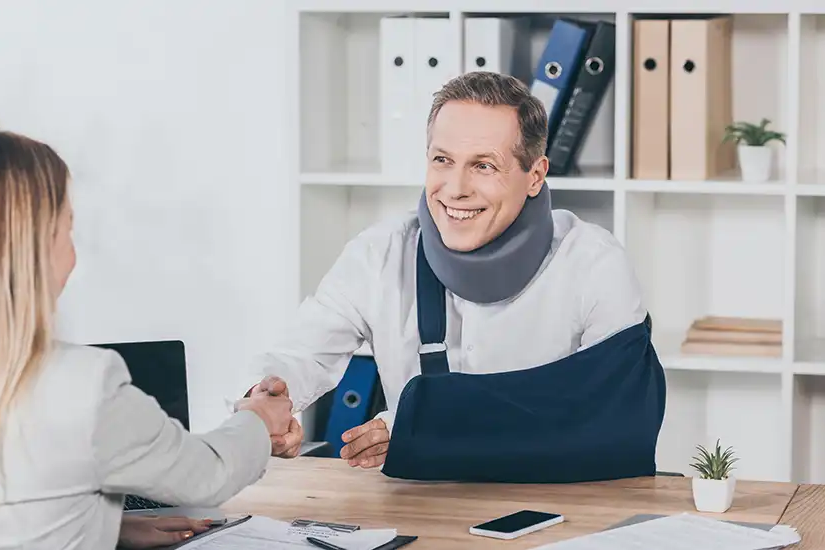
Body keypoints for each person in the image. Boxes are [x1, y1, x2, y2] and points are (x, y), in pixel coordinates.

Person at [236, 71, 664, 478]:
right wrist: (270, 402)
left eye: (484, 166)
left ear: (535, 175)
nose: (455, 188)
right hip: (418, 507)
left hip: (556, 508)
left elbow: (620, 419)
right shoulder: (379, 254)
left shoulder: (593, 263)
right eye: (443, 160)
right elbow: (304, 353)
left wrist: (425, 422)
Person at [0, 125, 294, 549]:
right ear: (33, 249)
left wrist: (106, 527)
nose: (73, 251)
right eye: (68, 229)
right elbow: (207, 475)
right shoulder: (80, 385)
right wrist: (259, 418)